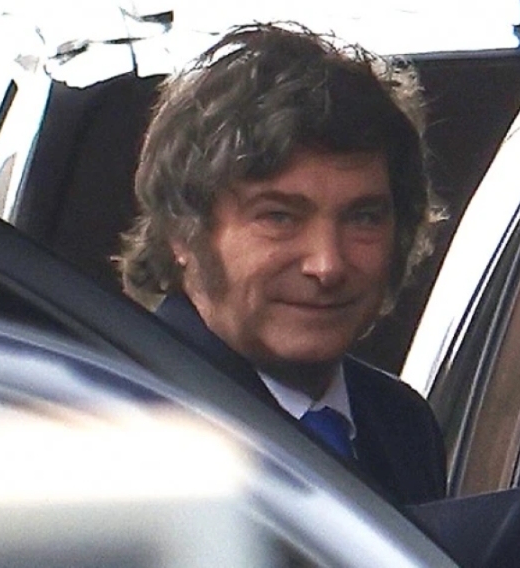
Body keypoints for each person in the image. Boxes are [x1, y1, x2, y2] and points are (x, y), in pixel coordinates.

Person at [115, 22, 446, 506]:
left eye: (364, 217)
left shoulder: (401, 423)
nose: (327, 265)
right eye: (278, 217)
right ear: (181, 232)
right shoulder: (114, 435)